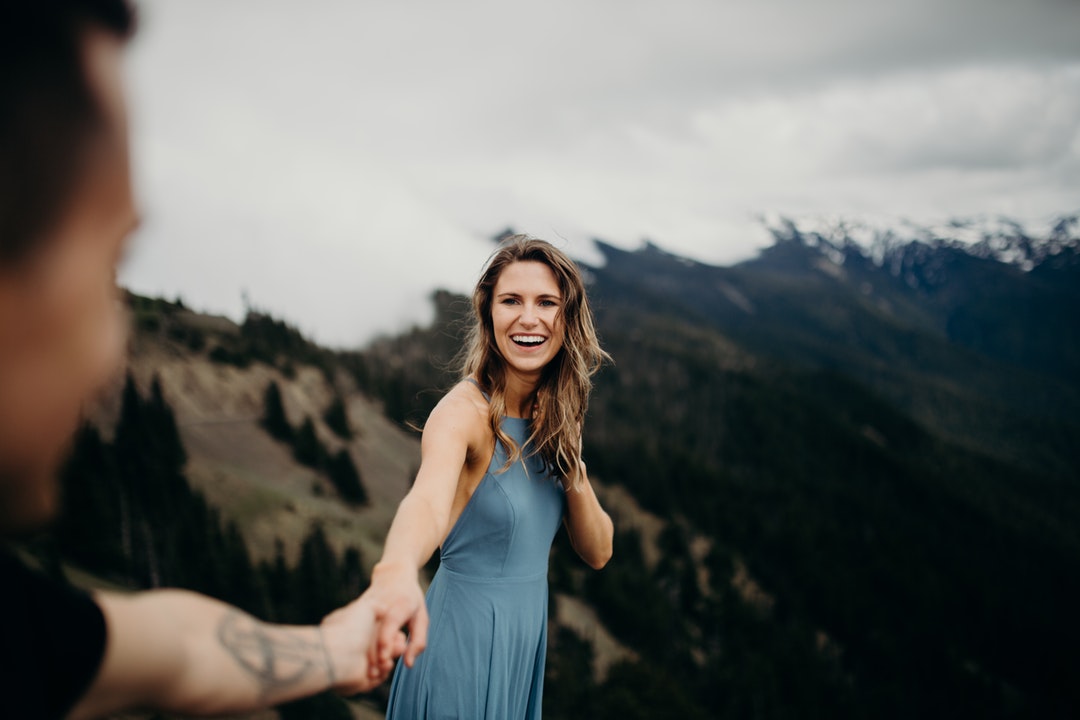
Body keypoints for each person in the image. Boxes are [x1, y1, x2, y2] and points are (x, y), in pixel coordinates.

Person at [0, 2, 411, 718]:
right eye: (109, 267)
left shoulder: (18, 628)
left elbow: (182, 650)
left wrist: (334, 650)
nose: (113, 352)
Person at [361, 236, 615, 718]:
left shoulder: (559, 416)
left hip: (522, 644)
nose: (528, 318)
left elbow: (599, 551)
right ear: (488, 314)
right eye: (511, 301)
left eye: (546, 302)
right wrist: (395, 570)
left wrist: (572, 468)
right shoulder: (462, 413)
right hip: (462, 643)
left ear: (567, 317)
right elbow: (427, 502)